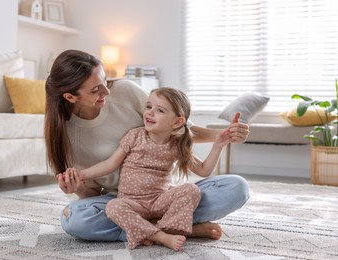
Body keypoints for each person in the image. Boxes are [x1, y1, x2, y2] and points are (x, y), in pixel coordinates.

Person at [44, 49, 250, 244]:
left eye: (105, 81)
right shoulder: (66, 135)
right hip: (122, 202)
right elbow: (101, 179)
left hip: (164, 198)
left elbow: (183, 131)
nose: (107, 91)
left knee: (236, 188)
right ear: (71, 97)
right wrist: (79, 184)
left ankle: (146, 229)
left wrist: (224, 136)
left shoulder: (125, 91)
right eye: (96, 89)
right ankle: (173, 228)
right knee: (74, 219)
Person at [73, 87, 233, 251]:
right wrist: (81, 174)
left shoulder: (177, 145)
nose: (150, 113)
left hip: (159, 202)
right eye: (149, 106)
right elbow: (109, 164)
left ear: (177, 122)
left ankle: (153, 230)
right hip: (131, 203)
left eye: (160, 110)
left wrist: (218, 145)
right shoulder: (135, 136)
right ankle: (161, 236)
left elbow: (204, 171)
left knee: (191, 189)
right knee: (113, 207)